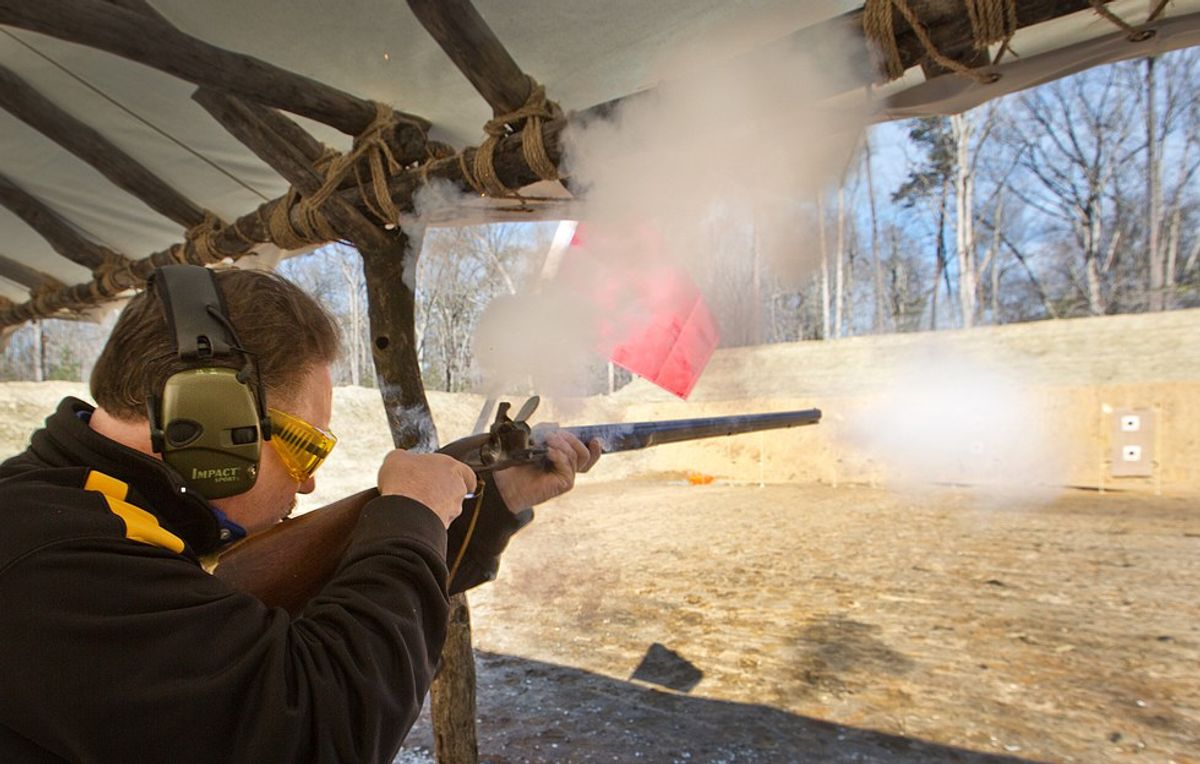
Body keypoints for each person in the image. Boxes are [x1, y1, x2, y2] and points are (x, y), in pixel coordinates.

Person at [0, 266, 600, 762]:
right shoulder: (58, 558)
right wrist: (409, 514)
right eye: (305, 446)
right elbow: (317, 726)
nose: (309, 482)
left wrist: (497, 499)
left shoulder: (93, 515)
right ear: (213, 426)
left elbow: (323, 607)